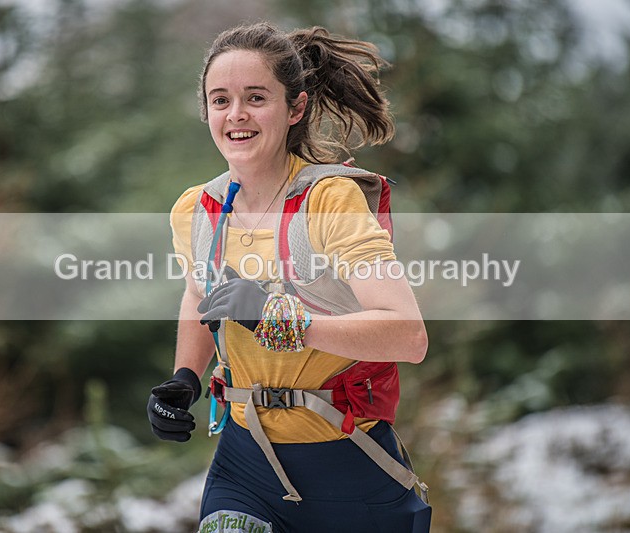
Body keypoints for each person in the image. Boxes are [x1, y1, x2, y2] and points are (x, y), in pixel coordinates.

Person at [147, 21, 431, 532]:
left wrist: (280, 320)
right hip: (245, 463)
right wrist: (185, 378)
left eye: (256, 97)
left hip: (350, 466)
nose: (236, 115)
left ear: (294, 108)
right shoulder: (199, 209)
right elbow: (200, 293)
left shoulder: (328, 201)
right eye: (220, 100)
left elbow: (408, 336)